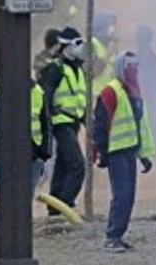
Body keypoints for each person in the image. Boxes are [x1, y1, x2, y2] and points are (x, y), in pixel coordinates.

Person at [93, 51, 156, 251]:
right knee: (121, 195)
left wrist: (143, 155)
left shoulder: (134, 92)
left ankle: (118, 235)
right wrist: (102, 153)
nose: (134, 69)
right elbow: (100, 126)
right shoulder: (110, 92)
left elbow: (139, 126)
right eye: (129, 65)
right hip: (116, 152)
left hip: (129, 151)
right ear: (121, 67)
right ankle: (112, 237)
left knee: (128, 196)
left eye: (136, 65)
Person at [37, 27, 90, 215]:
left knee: (63, 165)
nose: (79, 48)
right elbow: (46, 96)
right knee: (77, 166)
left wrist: (85, 121)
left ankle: (55, 207)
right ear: (64, 46)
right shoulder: (55, 68)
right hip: (60, 123)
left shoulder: (78, 69)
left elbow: (80, 99)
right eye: (76, 43)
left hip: (73, 122)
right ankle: (66, 205)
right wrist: (48, 121)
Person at [0, 75, 52, 203]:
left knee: (25, 201)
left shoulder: (37, 92)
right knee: (5, 202)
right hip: (5, 155)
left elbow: (46, 124)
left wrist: (44, 152)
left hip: (33, 155)